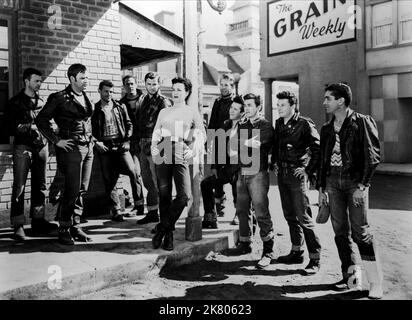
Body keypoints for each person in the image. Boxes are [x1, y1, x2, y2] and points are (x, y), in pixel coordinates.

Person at [318, 83, 383, 299]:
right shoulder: (327, 128)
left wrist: (363, 185)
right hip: (333, 183)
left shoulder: (362, 122)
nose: (324, 102)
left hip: (355, 183)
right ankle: (352, 279)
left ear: (341, 101)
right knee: (340, 233)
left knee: (361, 233)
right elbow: (322, 161)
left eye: (328, 98)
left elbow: (373, 156)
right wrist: (321, 188)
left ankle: (375, 283)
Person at [36, 63, 93, 245]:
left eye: (86, 77)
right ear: (72, 79)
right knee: (72, 189)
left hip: (87, 147)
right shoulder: (59, 98)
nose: (86, 81)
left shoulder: (85, 96)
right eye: (82, 78)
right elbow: (41, 120)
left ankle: (75, 225)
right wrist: (56, 140)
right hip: (70, 148)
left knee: (81, 189)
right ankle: (64, 227)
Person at [151, 76, 206, 251]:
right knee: (164, 195)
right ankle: (168, 236)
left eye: (179, 90)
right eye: (173, 89)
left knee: (184, 196)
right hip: (163, 149)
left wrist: (194, 149)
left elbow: (201, 134)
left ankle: (161, 227)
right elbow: (156, 133)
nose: (175, 92)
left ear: (187, 92)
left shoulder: (191, 111)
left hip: (181, 149)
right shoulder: (164, 111)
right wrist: (154, 149)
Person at [271, 91, 322, 275]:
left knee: (304, 217)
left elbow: (318, 149)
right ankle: (296, 252)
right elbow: (277, 145)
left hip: (297, 175)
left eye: (283, 105)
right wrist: (274, 162)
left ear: (293, 106)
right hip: (282, 174)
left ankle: (315, 258)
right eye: (278, 105)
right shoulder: (278, 123)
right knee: (289, 215)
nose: (279, 108)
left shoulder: (304, 123)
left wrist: (308, 170)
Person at [5, 68, 56, 241]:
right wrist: (30, 126)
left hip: (41, 147)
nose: (39, 84)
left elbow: (48, 122)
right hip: (23, 147)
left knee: (40, 186)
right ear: (27, 81)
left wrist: (52, 130)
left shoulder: (43, 101)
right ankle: (18, 225)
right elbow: (10, 128)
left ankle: (38, 221)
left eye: (40, 81)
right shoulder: (15, 102)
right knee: (19, 186)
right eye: (36, 81)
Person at [232, 93, 276, 269]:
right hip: (242, 171)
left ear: (258, 106)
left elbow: (257, 144)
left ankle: (268, 251)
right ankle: (245, 242)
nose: (247, 108)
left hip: (257, 172)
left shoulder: (265, 125)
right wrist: (245, 143)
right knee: (242, 209)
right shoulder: (242, 124)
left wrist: (244, 143)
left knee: (261, 211)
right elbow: (233, 145)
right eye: (245, 105)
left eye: (250, 105)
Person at [91, 80, 144, 222]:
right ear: (100, 91)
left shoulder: (120, 106)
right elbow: (89, 129)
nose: (109, 94)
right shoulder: (94, 109)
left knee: (133, 172)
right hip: (105, 146)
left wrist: (127, 140)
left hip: (120, 144)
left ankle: (139, 205)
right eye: (106, 91)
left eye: (111, 91)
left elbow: (129, 124)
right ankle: (115, 211)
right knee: (110, 179)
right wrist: (96, 142)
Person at [201, 95, 244, 229]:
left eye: (236, 109)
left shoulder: (247, 126)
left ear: (242, 113)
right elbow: (219, 146)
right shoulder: (225, 124)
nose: (231, 111)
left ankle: (239, 214)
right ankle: (210, 218)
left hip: (241, 169)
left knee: (238, 188)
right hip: (227, 168)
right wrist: (214, 166)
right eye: (231, 107)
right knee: (206, 184)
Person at [135, 72, 172, 225]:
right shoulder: (142, 99)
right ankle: (152, 212)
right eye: (149, 84)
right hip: (143, 145)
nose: (151, 87)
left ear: (159, 84)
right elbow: (138, 122)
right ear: (145, 84)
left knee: (160, 183)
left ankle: (166, 217)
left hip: (157, 146)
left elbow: (167, 127)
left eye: (154, 84)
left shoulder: (163, 102)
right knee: (147, 180)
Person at [207, 73, 236, 218]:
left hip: (232, 143)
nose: (223, 88)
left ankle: (239, 210)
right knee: (216, 175)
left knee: (234, 177)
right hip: (218, 142)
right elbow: (212, 124)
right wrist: (209, 141)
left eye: (226, 85)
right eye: (221, 84)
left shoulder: (237, 102)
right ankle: (219, 204)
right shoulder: (217, 102)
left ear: (232, 86)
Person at [119, 75, 144, 216]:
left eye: (132, 83)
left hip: (147, 140)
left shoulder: (145, 99)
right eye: (127, 84)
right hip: (132, 142)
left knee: (154, 175)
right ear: (124, 86)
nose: (130, 86)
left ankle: (156, 206)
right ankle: (139, 205)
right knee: (135, 172)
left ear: (136, 84)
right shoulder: (121, 103)